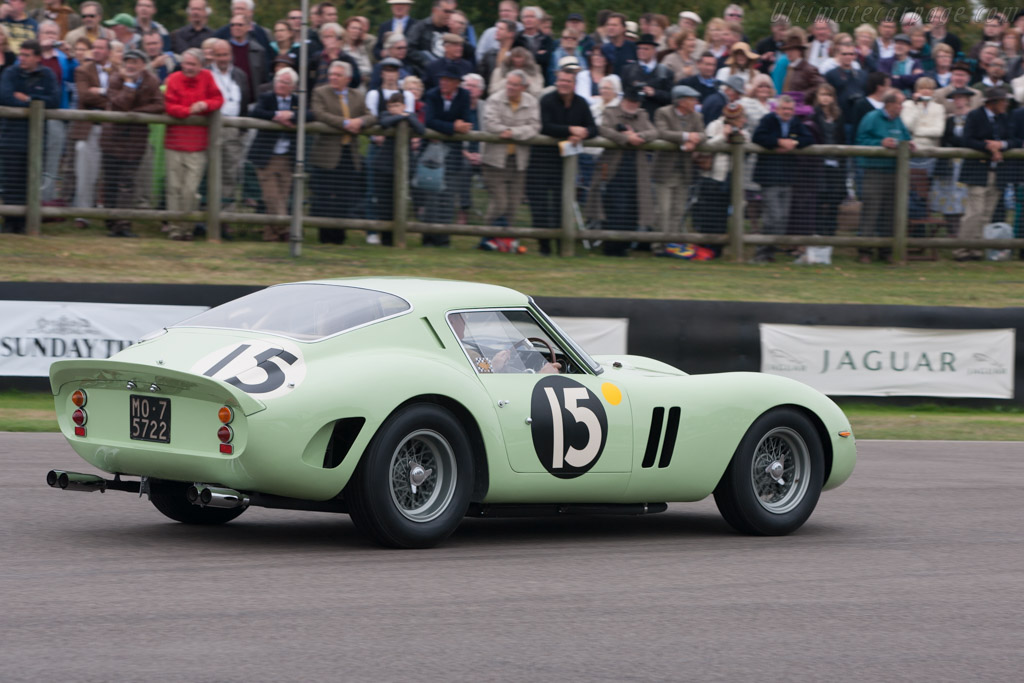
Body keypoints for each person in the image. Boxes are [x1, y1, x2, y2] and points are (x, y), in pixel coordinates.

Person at [527, 66, 597, 255]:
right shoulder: (547, 100)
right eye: (561, 80)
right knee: (540, 206)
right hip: (540, 162)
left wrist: (584, 133)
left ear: (574, 84)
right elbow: (545, 126)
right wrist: (571, 130)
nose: (563, 84)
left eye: (567, 81)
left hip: (564, 164)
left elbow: (593, 127)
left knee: (562, 204)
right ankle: (544, 247)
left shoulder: (581, 103)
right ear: (556, 82)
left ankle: (562, 246)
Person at [310, 60, 376, 245]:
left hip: (349, 154)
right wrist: (346, 123)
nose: (333, 78)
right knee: (324, 197)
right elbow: (320, 114)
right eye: (331, 74)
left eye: (337, 75)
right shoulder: (320, 92)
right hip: (326, 155)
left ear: (347, 78)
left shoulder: (357, 96)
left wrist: (360, 122)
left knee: (345, 197)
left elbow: (371, 116)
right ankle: (324, 236)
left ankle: (339, 236)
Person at [99, 47, 162, 237]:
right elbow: (121, 103)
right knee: (110, 182)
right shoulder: (116, 79)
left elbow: (160, 104)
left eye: (135, 62)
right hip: (112, 139)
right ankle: (110, 221)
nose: (130, 66)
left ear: (143, 65)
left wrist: (137, 113)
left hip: (135, 142)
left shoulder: (151, 81)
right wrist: (128, 85)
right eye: (128, 62)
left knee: (127, 182)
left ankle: (123, 224)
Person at [163, 48, 222, 241]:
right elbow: (169, 106)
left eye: (192, 64)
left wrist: (205, 105)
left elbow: (218, 99)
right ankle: (174, 229)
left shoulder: (207, 77)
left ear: (201, 65)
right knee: (174, 188)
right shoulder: (173, 79)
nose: (188, 68)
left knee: (190, 190)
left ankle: (188, 227)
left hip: (197, 145)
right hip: (174, 142)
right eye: (186, 63)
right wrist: (188, 111)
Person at [0, 38, 58, 234]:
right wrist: (33, 103)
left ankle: (27, 222)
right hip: (11, 137)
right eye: (20, 55)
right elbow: (5, 96)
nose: (21, 59)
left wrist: (30, 99)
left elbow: (55, 100)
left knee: (31, 180)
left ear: (38, 58)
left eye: (26, 55)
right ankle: (10, 222)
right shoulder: (10, 72)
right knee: (11, 180)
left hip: (36, 139)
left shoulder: (47, 74)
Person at [480, 69, 539, 249]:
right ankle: (484, 237)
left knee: (513, 205)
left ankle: (507, 242)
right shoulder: (495, 99)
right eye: (509, 84)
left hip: (518, 161)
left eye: (515, 85)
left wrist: (513, 133)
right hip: (494, 160)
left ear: (523, 87)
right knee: (500, 202)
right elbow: (490, 123)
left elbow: (535, 126)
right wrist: (505, 131)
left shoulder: (531, 102)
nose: (511, 88)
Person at [956, 87, 1017, 261]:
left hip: (998, 173)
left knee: (986, 214)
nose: (1006, 104)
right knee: (974, 212)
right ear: (993, 102)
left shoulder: (1005, 118)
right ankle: (961, 250)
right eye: (1003, 101)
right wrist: (987, 146)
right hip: (978, 172)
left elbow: (1015, 140)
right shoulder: (975, 116)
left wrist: (1001, 145)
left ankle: (976, 249)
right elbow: (967, 139)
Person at [751, 95, 814, 262]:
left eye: (790, 109)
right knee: (773, 217)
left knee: (783, 219)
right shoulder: (768, 120)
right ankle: (762, 253)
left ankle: (769, 254)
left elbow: (808, 138)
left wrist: (794, 143)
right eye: (784, 109)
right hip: (769, 177)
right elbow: (758, 137)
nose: (787, 112)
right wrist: (778, 142)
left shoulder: (795, 123)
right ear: (777, 109)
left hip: (787, 177)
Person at [855, 90, 913, 263]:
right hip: (874, 172)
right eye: (899, 103)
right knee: (871, 211)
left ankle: (886, 250)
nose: (902, 107)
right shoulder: (871, 118)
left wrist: (909, 144)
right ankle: (864, 250)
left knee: (891, 212)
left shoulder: (899, 121)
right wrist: (879, 144)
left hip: (895, 173)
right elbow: (860, 140)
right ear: (889, 104)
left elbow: (905, 137)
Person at [422, 64, 471, 246]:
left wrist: (453, 127)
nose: (443, 82)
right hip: (432, 155)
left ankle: (443, 238)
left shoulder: (464, 96)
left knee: (448, 197)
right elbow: (430, 121)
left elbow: (466, 122)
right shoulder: (432, 95)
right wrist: (452, 127)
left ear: (457, 83)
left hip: (453, 154)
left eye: (448, 80)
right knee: (432, 195)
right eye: (442, 79)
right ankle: (428, 237)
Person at [651, 84, 703, 243]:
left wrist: (695, 141)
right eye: (692, 99)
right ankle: (658, 246)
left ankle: (671, 245)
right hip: (664, 171)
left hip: (684, 172)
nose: (695, 102)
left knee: (678, 210)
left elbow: (703, 134)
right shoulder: (663, 112)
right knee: (663, 210)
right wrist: (686, 137)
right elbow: (662, 132)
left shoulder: (697, 116)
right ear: (681, 102)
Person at [70, 35, 111, 227]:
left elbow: (126, 97)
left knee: (110, 173)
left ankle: (110, 215)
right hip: (90, 128)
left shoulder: (119, 71)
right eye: (94, 47)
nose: (96, 51)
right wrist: (107, 93)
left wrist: (100, 92)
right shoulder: (82, 70)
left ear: (108, 52)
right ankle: (82, 214)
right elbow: (85, 96)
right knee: (85, 172)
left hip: (112, 130)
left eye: (101, 48)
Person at [448, 312, 561, 375]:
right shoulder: (470, 355)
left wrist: (494, 365)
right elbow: (488, 383)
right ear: (452, 320)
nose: (465, 322)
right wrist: (541, 376)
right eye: (463, 317)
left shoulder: (448, 350)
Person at [933, 87, 973, 239]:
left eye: (961, 98)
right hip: (951, 163)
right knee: (950, 195)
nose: (958, 101)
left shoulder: (973, 117)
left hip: (967, 162)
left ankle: (965, 231)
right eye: (956, 98)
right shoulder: (949, 119)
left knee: (965, 196)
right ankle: (952, 230)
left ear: (967, 99)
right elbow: (945, 139)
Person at [619, 33, 672, 120]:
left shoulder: (665, 72)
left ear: (654, 51)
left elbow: (670, 97)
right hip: (631, 117)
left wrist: (655, 93)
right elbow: (623, 93)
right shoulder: (627, 70)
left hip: (655, 117)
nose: (641, 51)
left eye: (646, 49)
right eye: (639, 48)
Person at [406, 0, 452, 72]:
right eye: (446, 11)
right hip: (424, 72)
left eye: (451, 12)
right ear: (434, 10)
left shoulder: (451, 28)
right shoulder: (420, 27)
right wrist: (427, 63)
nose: (449, 15)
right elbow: (409, 48)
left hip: (447, 72)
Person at [513, 5, 554, 82]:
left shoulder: (546, 39)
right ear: (522, 20)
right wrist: (537, 55)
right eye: (525, 17)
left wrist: (525, 56)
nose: (528, 20)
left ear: (538, 20)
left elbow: (546, 59)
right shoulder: (516, 39)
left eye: (531, 17)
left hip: (540, 79)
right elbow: (514, 60)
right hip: (519, 78)